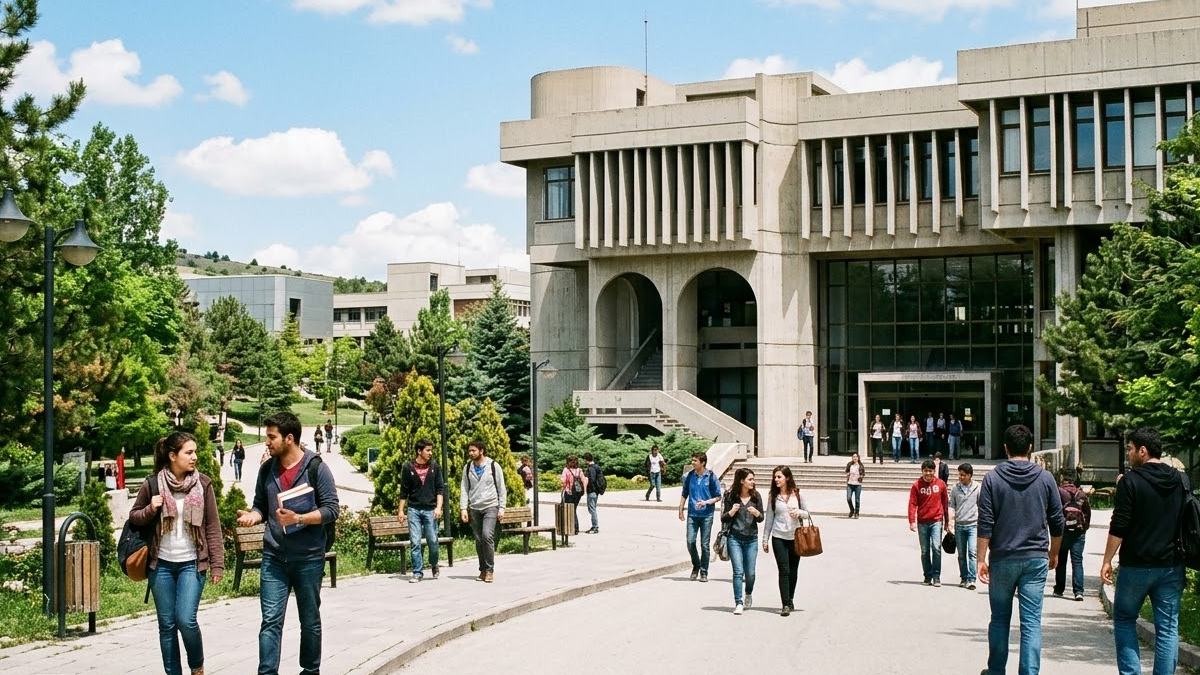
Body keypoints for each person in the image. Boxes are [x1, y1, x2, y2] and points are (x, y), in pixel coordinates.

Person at [236, 411, 339, 675]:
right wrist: (253, 516)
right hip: (274, 557)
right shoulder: (267, 469)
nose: (267, 442)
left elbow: (331, 510)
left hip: (308, 557)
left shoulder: (316, 468)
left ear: (289, 438)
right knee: (270, 621)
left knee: (309, 619)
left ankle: (310, 670)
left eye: (271, 437)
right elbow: (261, 505)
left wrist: (300, 518)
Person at [129, 431, 224, 675]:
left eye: (195, 452)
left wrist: (217, 564)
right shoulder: (152, 484)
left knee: (185, 620)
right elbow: (135, 517)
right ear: (172, 456)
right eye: (188, 452)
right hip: (160, 565)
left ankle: (197, 667)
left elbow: (212, 526)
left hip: (192, 563)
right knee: (167, 625)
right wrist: (151, 508)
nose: (194, 457)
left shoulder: (203, 484)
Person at [978, 424, 1064, 675]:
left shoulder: (992, 478)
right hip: (1035, 558)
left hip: (1003, 557)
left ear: (1005, 448)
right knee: (1031, 623)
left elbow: (985, 522)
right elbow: (1057, 522)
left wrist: (981, 558)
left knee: (1000, 619)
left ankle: (996, 671)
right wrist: (1053, 553)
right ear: (1030, 448)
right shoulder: (1046, 478)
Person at [1101, 427, 1186, 675]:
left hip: (1136, 566)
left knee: (1125, 619)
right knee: (1168, 629)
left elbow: (1119, 525)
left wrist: (1107, 560)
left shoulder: (1131, 481)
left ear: (1143, 450)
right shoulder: (1180, 480)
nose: (1128, 454)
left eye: (1129, 449)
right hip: (1171, 566)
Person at [762, 465, 808, 616]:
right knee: (784, 570)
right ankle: (785, 604)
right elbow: (769, 518)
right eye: (775, 477)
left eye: (779, 477)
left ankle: (791, 598)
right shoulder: (773, 497)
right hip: (778, 537)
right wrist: (765, 539)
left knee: (793, 571)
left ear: (787, 478)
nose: (776, 480)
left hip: (796, 537)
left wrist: (799, 512)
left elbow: (807, 514)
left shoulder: (798, 494)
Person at [398, 439, 446, 582]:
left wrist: (439, 507)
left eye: (431, 450)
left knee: (433, 540)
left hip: (431, 509)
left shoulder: (434, 467)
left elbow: (440, 489)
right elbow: (403, 491)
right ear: (419, 451)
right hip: (414, 509)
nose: (430, 453)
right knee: (415, 541)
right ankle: (417, 572)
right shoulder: (408, 467)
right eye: (428, 450)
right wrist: (401, 510)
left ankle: (434, 563)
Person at [460, 440, 506, 583]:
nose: (471, 453)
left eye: (474, 450)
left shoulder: (493, 466)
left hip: (491, 506)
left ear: (481, 451)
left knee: (487, 536)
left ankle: (490, 570)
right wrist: (463, 508)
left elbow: (501, 487)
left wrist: (502, 507)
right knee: (479, 540)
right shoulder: (468, 468)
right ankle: (482, 570)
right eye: (469, 451)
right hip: (475, 507)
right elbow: (464, 488)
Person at [721, 468, 763, 615]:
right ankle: (738, 602)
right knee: (738, 572)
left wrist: (757, 513)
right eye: (750, 479)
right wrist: (731, 512)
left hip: (751, 539)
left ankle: (748, 593)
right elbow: (724, 518)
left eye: (753, 479)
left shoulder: (756, 496)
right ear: (741, 481)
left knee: (750, 573)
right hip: (735, 538)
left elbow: (761, 518)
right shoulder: (731, 496)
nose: (753, 482)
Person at [679, 452, 722, 582]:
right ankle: (696, 565)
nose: (693, 463)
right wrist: (680, 508)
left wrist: (706, 502)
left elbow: (718, 496)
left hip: (706, 515)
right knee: (690, 541)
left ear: (702, 463)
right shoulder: (689, 476)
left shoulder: (711, 477)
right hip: (692, 514)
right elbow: (684, 493)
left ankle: (704, 571)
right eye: (692, 460)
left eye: (695, 461)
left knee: (705, 544)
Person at [908, 459, 949, 586]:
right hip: (922, 522)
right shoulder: (916, 486)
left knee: (936, 547)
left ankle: (936, 576)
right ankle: (927, 576)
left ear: (934, 471)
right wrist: (912, 521)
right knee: (925, 550)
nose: (928, 474)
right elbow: (912, 504)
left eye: (930, 471)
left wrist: (947, 522)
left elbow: (945, 504)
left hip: (936, 520)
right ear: (922, 471)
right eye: (925, 471)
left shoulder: (941, 484)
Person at [1053, 468, 1090, 601]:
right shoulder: (1081, 494)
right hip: (1078, 532)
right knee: (1077, 561)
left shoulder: (1058, 492)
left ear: (1063, 478)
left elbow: (1054, 512)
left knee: (1061, 560)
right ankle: (1078, 591)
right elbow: (1087, 512)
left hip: (1062, 532)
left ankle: (1059, 589)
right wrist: (1084, 528)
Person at [948, 463, 980, 590]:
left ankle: (972, 579)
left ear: (970, 475)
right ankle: (964, 577)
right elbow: (952, 505)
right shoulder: (955, 489)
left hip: (973, 525)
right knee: (961, 554)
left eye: (963, 475)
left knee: (972, 552)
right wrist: (950, 522)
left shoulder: (978, 488)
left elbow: (982, 505)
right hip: (959, 525)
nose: (960, 477)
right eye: (959, 475)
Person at [560, 455, 586, 534]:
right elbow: (584, 480)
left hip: (569, 492)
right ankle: (575, 528)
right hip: (578, 493)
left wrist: (562, 489)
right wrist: (584, 491)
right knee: (574, 509)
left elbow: (563, 481)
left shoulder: (566, 470)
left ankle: (572, 528)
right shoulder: (579, 470)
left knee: (569, 510)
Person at [583, 453, 602, 534]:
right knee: (592, 508)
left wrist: (585, 489)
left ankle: (595, 527)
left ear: (586, 459)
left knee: (592, 509)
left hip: (592, 491)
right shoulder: (597, 467)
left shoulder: (590, 468)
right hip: (597, 491)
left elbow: (590, 480)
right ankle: (594, 526)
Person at [845, 453, 864, 518]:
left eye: (856, 457)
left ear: (858, 458)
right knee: (848, 498)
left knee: (857, 500)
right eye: (853, 457)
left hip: (857, 484)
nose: (855, 458)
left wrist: (861, 476)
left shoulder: (860, 465)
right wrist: (847, 474)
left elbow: (863, 473)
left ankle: (857, 513)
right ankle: (852, 510)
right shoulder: (850, 464)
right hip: (850, 484)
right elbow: (847, 471)